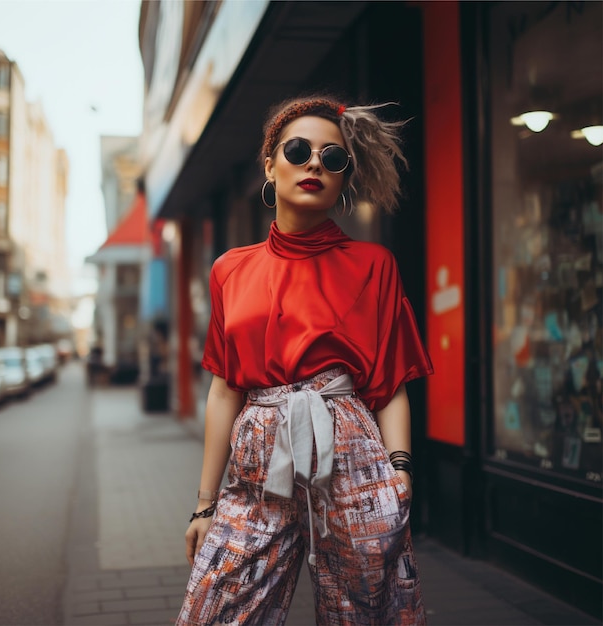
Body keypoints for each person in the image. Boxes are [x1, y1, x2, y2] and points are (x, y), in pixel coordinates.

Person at [175, 96, 434, 626]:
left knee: (363, 617)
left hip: (354, 463)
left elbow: (389, 385)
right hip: (256, 470)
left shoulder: (374, 265)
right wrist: (206, 504)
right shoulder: (231, 270)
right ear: (270, 164)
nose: (315, 163)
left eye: (333, 158)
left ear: (343, 177)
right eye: (299, 150)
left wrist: (400, 473)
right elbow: (225, 389)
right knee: (214, 611)